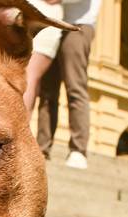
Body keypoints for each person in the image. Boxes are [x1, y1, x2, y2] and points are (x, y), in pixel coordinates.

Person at [36, 0, 100, 170]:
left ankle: (78, 150)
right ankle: (42, 148)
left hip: (78, 24)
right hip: (53, 22)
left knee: (75, 87)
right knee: (47, 92)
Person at [23, 0, 64, 114]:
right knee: (30, 79)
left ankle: (20, 125)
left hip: (44, 17)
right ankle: (22, 125)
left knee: (29, 77)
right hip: (35, 14)